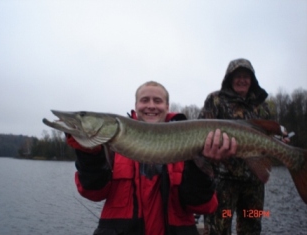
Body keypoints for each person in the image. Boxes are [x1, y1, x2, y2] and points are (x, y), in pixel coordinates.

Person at [66, 81, 237, 235]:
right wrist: (89, 155)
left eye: (158, 101)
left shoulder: (189, 144)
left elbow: (204, 206)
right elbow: (94, 192)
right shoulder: (112, 148)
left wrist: (202, 167)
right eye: (145, 100)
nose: (151, 105)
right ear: (136, 105)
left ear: (167, 106)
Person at [199, 58, 288, 235]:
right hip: (223, 179)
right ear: (229, 79)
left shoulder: (261, 105)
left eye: (246, 76)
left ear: (252, 80)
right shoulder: (215, 100)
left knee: (252, 226)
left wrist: (279, 140)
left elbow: (267, 134)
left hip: (254, 181)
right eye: (237, 76)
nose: (241, 79)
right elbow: (201, 132)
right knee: (219, 227)